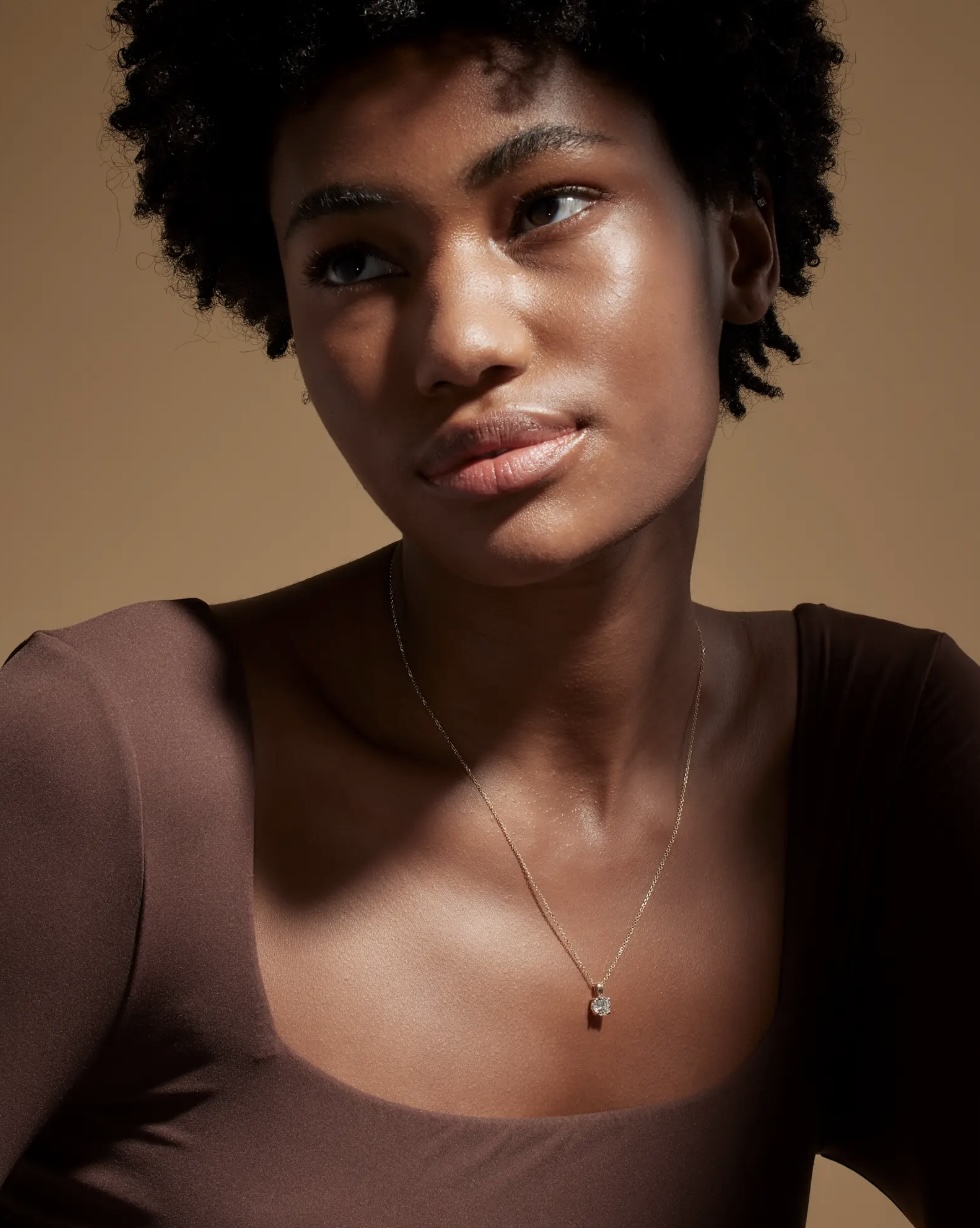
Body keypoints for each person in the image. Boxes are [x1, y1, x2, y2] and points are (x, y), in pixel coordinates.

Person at [1, 2, 977, 1225]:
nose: (458, 339)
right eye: (354, 260)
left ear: (740, 249)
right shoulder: (104, 774)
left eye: (547, 206)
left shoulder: (873, 760)